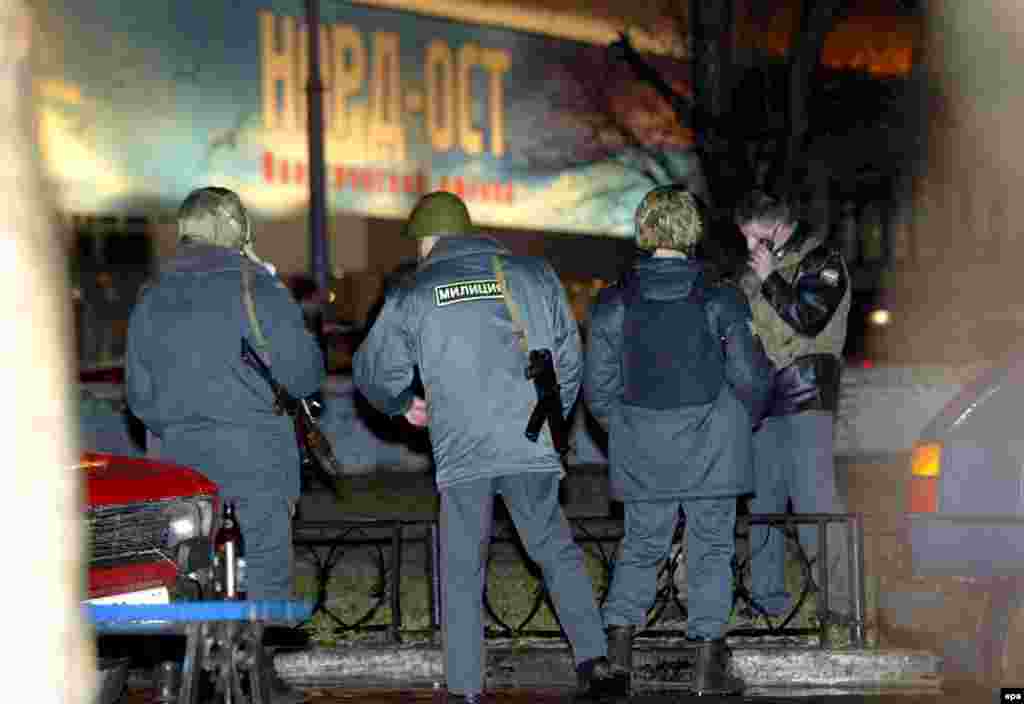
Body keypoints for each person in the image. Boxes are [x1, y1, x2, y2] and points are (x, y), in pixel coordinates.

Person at [352, 191, 617, 704]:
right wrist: (549, 419)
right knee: (555, 550)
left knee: (462, 566)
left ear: (427, 239)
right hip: (528, 441)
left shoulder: (415, 289)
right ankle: (595, 660)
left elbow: (372, 371)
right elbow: (568, 352)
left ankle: (467, 688)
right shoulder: (534, 275)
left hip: (463, 449)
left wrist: (403, 403)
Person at [584, 185, 772, 696]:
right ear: (692, 233)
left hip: (643, 446)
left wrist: (627, 428)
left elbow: (597, 391)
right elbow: (750, 376)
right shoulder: (722, 298)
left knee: (641, 547)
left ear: (644, 232)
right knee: (711, 549)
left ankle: (617, 662)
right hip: (714, 442)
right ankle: (709, 669)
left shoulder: (612, 303)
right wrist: (737, 419)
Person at [125, 186, 324, 601]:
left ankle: (193, 663)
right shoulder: (259, 288)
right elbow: (305, 376)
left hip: (179, 467)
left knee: (187, 587)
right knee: (266, 585)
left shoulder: (150, 294)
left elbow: (138, 396)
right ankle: (255, 659)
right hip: (258, 463)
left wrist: (185, 427)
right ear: (234, 226)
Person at [733, 189, 852, 624]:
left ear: (780, 226)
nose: (748, 248)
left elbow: (809, 318)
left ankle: (841, 604)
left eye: (754, 237)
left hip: (807, 396)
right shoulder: (755, 273)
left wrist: (769, 279)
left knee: (814, 504)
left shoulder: (823, 261)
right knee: (762, 504)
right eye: (743, 239)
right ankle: (767, 601)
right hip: (763, 403)